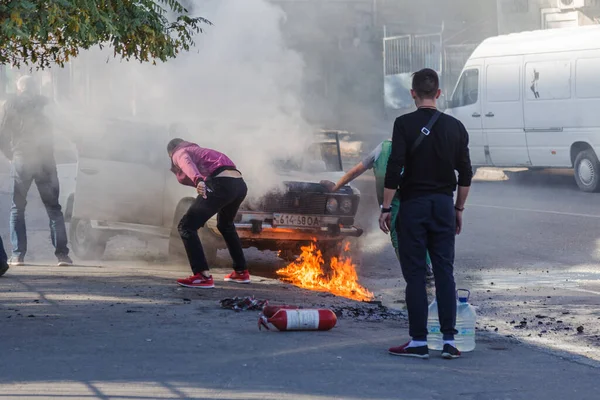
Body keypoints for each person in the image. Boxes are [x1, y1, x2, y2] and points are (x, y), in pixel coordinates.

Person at [379, 68, 472, 360]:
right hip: (444, 205)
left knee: (416, 276)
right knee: (445, 272)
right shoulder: (456, 127)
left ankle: (418, 342)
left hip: (414, 207)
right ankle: (449, 342)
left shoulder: (403, 124)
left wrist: (385, 208)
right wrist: (458, 209)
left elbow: (395, 167)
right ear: (439, 94)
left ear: (413, 94)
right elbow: (466, 174)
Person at [320, 141, 434, 282]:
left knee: (405, 235)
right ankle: (421, 269)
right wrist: (337, 186)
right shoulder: (383, 148)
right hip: (399, 200)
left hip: (408, 197)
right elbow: (357, 170)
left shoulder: (393, 147)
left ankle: (419, 270)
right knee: (405, 234)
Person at [0, 75, 72, 267]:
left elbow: (2, 133)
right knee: (54, 208)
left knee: (17, 208)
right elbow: (65, 127)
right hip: (46, 160)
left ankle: (18, 255)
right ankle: (62, 256)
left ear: (19, 88)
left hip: (22, 158)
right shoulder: (47, 104)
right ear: (36, 87)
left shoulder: (10, 104)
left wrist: (10, 155)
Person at [168, 138, 250, 288]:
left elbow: (186, 163)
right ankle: (241, 272)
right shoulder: (202, 151)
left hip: (221, 184)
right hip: (240, 185)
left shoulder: (178, 152)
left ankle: (202, 276)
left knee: (186, 226)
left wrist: (198, 180)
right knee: (225, 225)